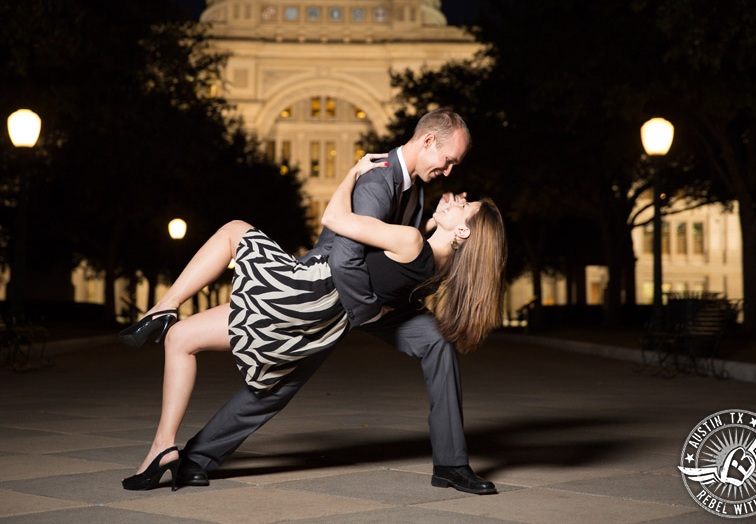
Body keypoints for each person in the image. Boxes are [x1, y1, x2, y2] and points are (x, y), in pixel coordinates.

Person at [121, 109, 506, 494]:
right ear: (427, 142)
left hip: (359, 299)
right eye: (449, 160)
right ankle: (194, 458)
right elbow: (345, 258)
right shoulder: (378, 177)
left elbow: (399, 254)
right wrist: (368, 309)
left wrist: (429, 242)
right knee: (275, 387)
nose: (450, 171)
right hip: (334, 289)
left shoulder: (415, 189)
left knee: (436, 342)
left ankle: (452, 465)